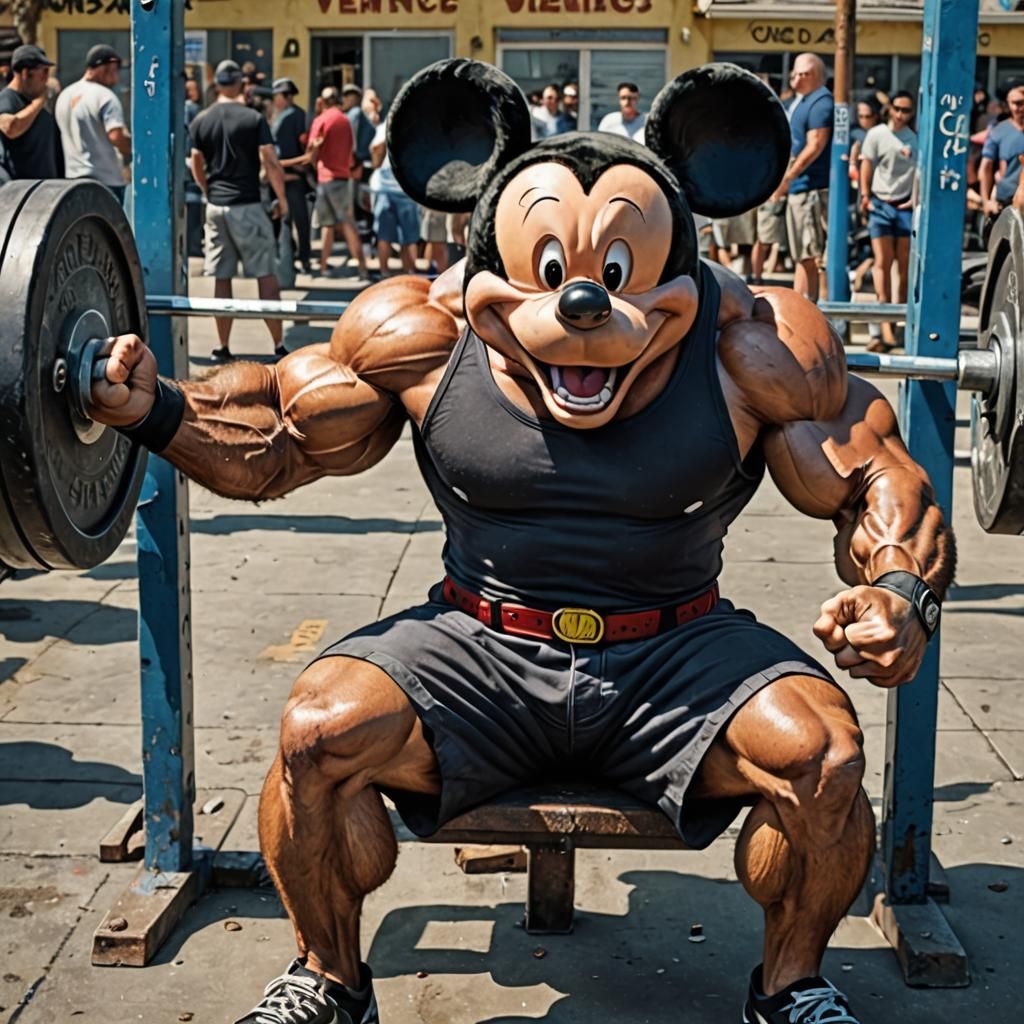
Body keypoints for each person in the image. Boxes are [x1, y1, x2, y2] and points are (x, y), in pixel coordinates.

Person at [90, 61, 951, 1024]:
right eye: (550, 272)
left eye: (616, 275)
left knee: (825, 756)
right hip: (478, 647)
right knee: (316, 735)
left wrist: (900, 593)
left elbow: (876, 473)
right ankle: (327, 980)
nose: (583, 307)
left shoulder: (749, 347)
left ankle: (791, 988)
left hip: (677, 650)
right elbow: (282, 438)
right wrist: (154, 406)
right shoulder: (422, 332)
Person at [189, 59, 289, 361]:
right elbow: (269, 159)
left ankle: (223, 347)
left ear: (217, 85)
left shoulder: (201, 120)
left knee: (222, 278)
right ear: (240, 85)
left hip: (216, 207)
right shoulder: (253, 118)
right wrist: (282, 199)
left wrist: (207, 189)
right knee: (265, 276)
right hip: (248, 206)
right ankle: (277, 346)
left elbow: (196, 162)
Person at [770, 53, 833, 301]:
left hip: (812, 189)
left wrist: (787, 178)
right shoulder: (800, 102)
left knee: (815, 256)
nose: (795, 79)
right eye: (794, 74)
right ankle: (801, 305)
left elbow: (815, 144)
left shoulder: (821, 103)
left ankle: (819, 309)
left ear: (815, 75)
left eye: (803, 74)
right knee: (801, 255)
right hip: (800, 188)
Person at [859, 90, 917, 354]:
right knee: (882, 262)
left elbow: (920, 172)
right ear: (890, 109)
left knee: (903, 267)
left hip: (904, 205)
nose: (901, 115)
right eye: (897, 109)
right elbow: (866, 164)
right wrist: (865, 195)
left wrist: (914, 198)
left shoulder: (915, 138)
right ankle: (884, 324)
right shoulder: (877, 134)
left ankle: (897, 322)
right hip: (880, 203)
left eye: (906, 110)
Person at [54, 44, 130, 203]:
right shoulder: (105, 96)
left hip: (72, 182)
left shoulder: (65, 95)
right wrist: (136, 150)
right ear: (107, 67)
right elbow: (116, 136)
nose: (117, 76)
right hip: (106, 183)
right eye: (116, 69)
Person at [307, 86, 367, 280]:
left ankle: (324, 268)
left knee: (329, 225)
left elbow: (311, 151)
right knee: (345, 223)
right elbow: (352, 150)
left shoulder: (321, 120)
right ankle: (361, 269)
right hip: (342, 176)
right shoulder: (344, 120)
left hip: (325, 178)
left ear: (322, 101)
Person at [0, 44, 63, 180]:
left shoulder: (33, 98)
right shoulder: (7, 98)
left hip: (45, 187)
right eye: (44, 71)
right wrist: (40, 100)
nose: (47, 78)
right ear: (25, 73)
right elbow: (10, 127)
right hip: (22, 189)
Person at [271, 78, 313, 275]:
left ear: (286, 96)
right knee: (282, 220)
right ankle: (291, 257)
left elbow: (302, 143)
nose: (275, 100)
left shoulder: (297, 115)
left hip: (293, 174)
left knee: (299, 219)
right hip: (279, 174)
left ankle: (304, 258)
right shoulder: (277, 115)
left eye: (277, 96)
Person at [368, 118, 419, 276]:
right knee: (409, 238)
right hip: (407, 190)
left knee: (384, 235)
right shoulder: (415, 126)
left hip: (384, 188)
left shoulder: (386, 126)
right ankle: (410, 272)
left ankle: (384, 271)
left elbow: (375, 150)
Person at [979, 84, 1024, 224]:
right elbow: (986, 167)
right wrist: (986, 202)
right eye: (1015, 103)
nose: (1018, 108)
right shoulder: (998, 131)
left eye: (1022, 103)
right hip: (1006, 203)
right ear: (1008, 104)